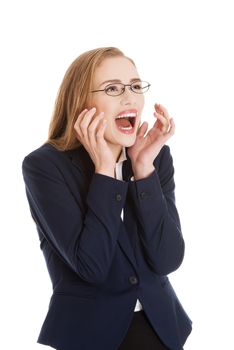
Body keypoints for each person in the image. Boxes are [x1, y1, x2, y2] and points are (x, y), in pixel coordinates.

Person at [22, 47, 192, 350]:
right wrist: (104, 172)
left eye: (135, 86)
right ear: (81, 102)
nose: (129, 97)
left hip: (162, 328)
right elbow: (92, 266)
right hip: (89, 334)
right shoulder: (45, 166)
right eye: (113, 88)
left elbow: (168, 258)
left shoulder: (154, 157)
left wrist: (144, 173)